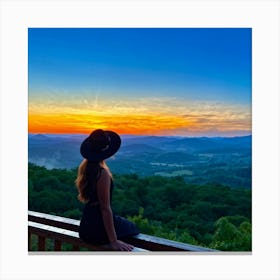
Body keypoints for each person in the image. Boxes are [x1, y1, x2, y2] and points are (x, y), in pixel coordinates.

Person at [75, 129, 139, 251]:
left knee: (122, 223)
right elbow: (104, 208)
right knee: (132, 228)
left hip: (86, 227)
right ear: (106, 150)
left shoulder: (86, 169)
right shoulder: (101, 173)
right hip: (97, 228)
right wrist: (113, 241)